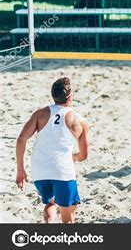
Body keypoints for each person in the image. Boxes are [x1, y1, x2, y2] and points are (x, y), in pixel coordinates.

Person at [15, 77, 89, 223]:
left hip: (39, 171)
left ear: (53, 95)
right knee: (68, 215)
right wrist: (74, 157)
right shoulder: (79, 121)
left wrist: (20, 169)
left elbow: (21, 140)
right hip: (63, 172)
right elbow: (84, 155)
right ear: (70, 97)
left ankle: (49, 223)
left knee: (51, 203)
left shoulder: (39, 114)